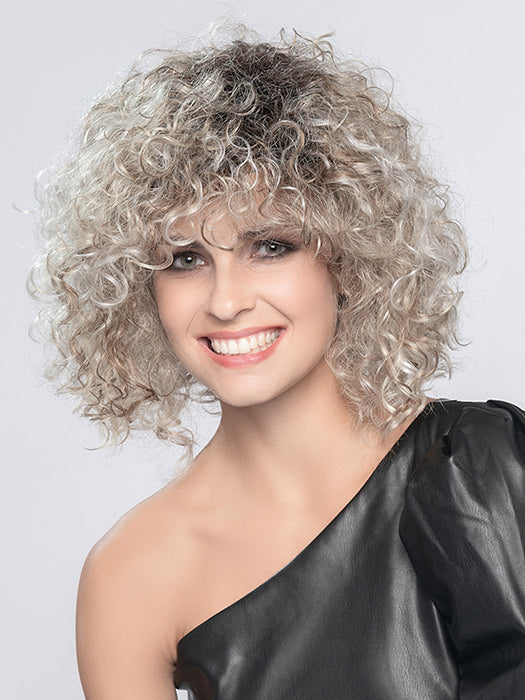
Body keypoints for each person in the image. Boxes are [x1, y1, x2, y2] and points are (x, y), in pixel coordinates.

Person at [31, 27, 525, 699]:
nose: (225, 301)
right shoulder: (133, 574)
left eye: (270, 246)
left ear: (348, 255)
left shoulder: (483, 466)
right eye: (185, 259)